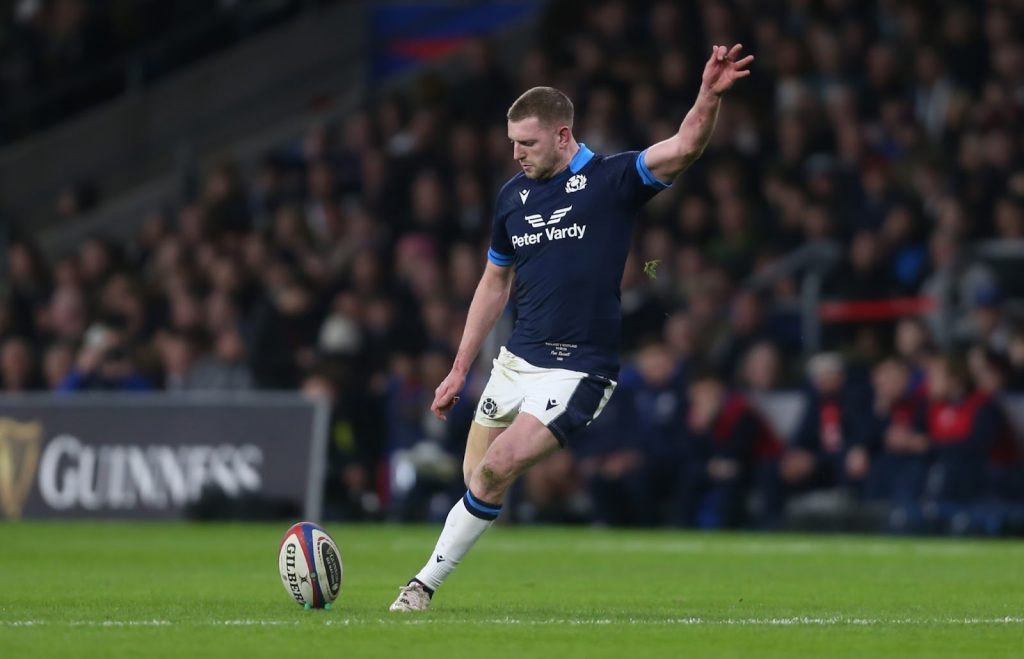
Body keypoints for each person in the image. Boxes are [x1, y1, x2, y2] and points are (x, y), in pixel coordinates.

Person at [389, 43, 754, 612]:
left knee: (496, 468)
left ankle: (419, 588)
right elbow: (493, 282)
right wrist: (461, 368)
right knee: (477, 479)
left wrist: (707, 95)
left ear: (563, 137)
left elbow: (683, 148)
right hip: (515, 361)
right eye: (512, 142)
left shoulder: (612, 180)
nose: (516, 154)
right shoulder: (512, 199)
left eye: (527, 143)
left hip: (578, 366)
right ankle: (463, 550)